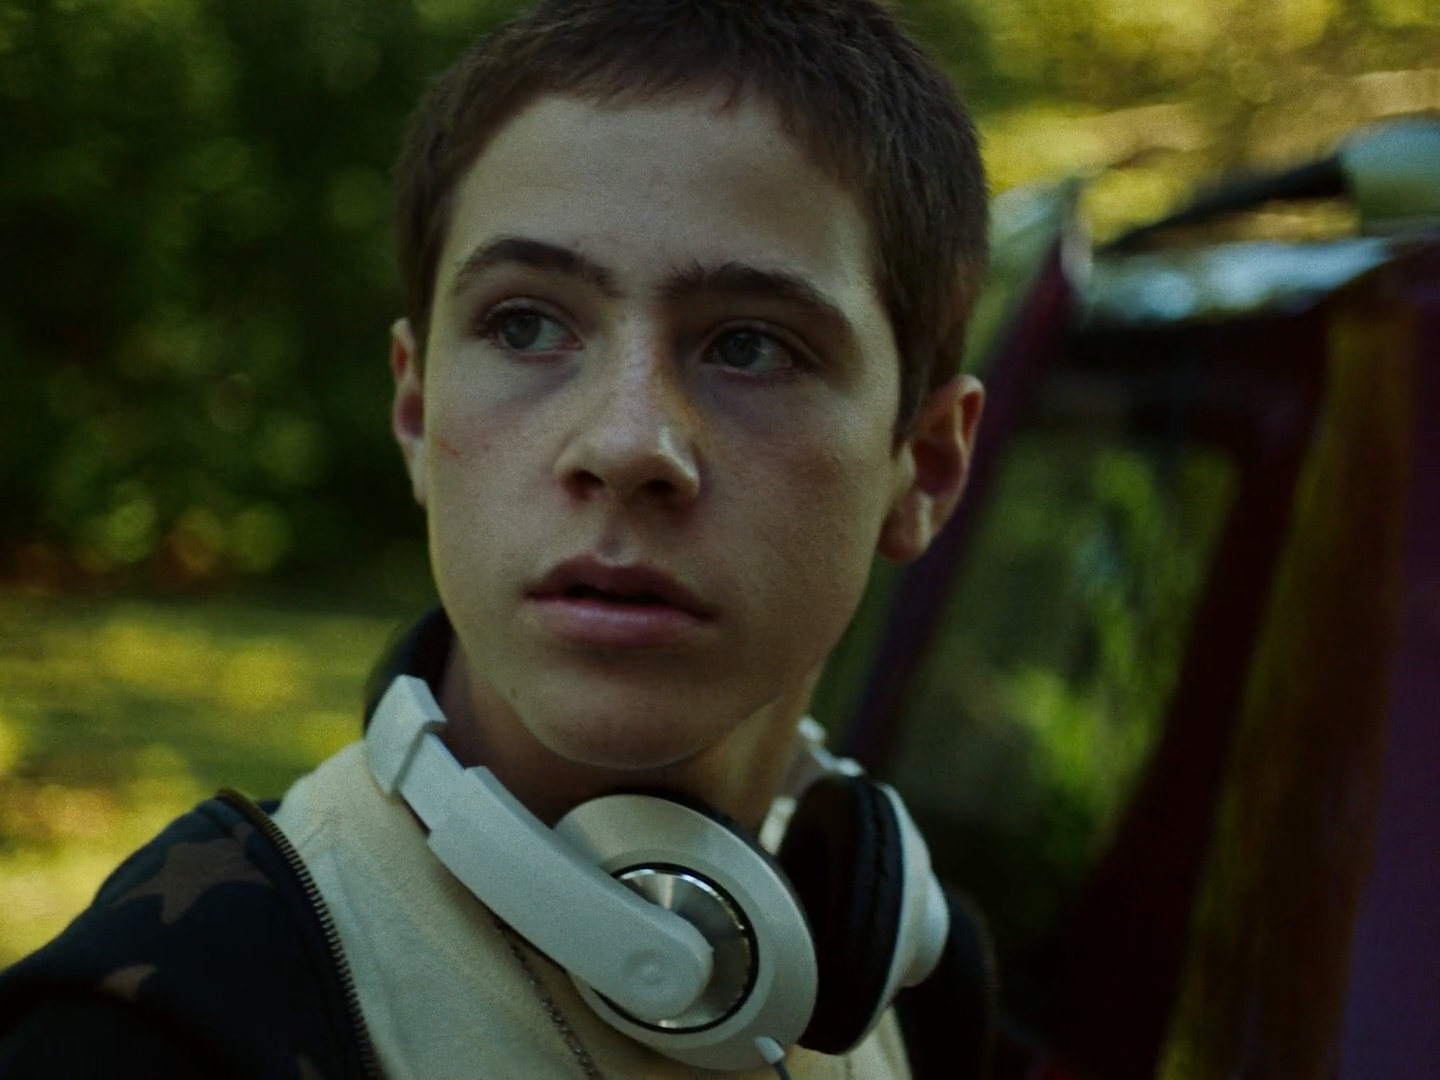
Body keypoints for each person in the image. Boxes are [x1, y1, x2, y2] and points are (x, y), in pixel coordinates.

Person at [0, 1, 991, 1076]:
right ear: (418, 413)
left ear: (924, 465)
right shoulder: (161, 1024)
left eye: (751, 345)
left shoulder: (922, 1005)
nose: (625, 444)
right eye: (525, 326)